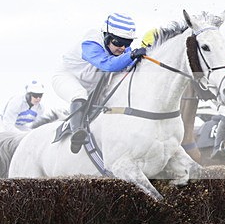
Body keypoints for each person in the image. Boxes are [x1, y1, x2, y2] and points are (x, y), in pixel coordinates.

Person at [52, 13, 151, 154]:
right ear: (106, 36)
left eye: (127, 43)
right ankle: (77, 133)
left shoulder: (121, 48)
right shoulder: (91, 42)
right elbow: (108, 65)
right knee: (79, 94)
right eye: (118, 42)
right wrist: (131, 55)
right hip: (67, 77)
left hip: (94, 85)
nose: (123, 48)